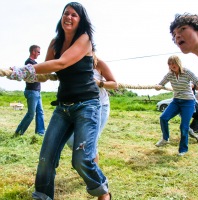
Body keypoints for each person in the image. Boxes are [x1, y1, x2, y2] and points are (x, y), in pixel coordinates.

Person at [6, 2, 111, 200]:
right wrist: (21, 74)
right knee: (46, 158)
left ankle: (103, 191)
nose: (68, 17)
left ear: (81, 20)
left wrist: (27, 68)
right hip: (63, 107)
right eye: (65, 13)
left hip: (87, 106)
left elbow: (61, 63)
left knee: (81, 160)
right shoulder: (55, 42)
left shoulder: (85, 39)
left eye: (74, 15)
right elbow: (47, 69)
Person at [66, 55, 118, 163]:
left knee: (90, 141)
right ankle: (87, 164)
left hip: (100, 106)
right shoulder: (72, 62)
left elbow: (114, 84)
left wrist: (99, 83)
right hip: (81, 106)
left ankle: (93, 172)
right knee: (71, 139)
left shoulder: (99, 64)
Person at [155, 55, 198, 156]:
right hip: (176, 101)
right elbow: (161, 83)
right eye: (170, 64)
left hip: (188, 102)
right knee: (163, 117)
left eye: (173, 63)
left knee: (184, 126)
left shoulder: (187, 72)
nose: (172, 66)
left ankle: (183, 149)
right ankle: (165, 139)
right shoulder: (169, 75)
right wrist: (158, 87)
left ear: (178, 63)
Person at [15, 45, 45, 136]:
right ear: (33, 52)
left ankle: (40, 132)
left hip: (36, 91)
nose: (39, 54)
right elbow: (39, 70)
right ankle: (19, 132)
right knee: (31, 114)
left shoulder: (34, 63)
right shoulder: (29, 63)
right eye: (38, 52)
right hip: (32, 91)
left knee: (40, 112)